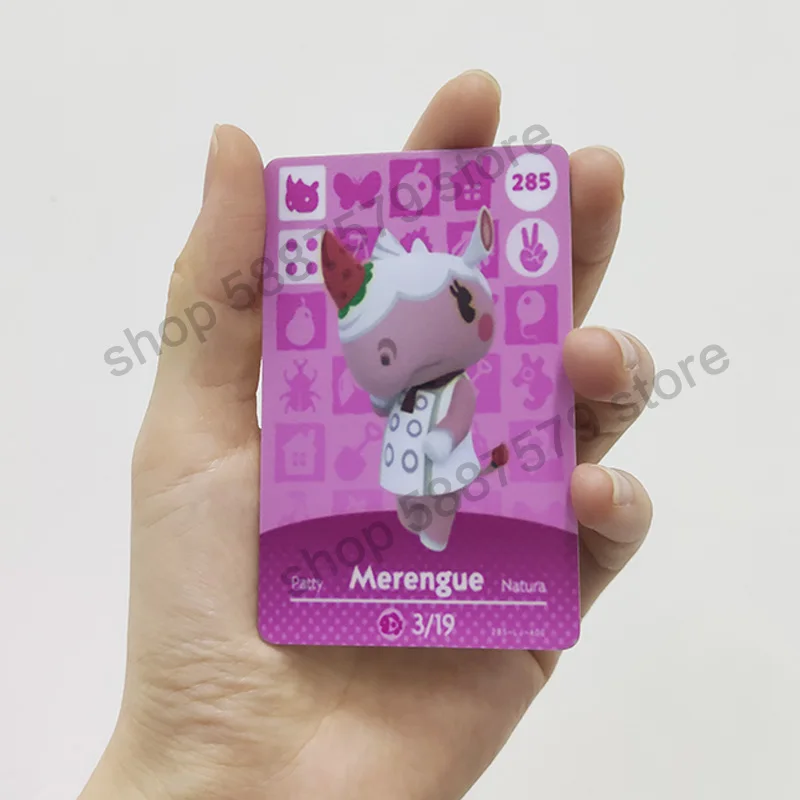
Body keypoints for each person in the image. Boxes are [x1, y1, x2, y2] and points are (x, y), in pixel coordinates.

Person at [79, 70, 654, 800]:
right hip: (418, 471)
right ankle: (448, 497)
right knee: (438, 481)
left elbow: (450, 367)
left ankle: (452, 497)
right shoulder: (406, 394)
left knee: (461, 475)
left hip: (435, 467)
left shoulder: (446, 374)